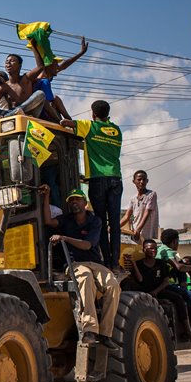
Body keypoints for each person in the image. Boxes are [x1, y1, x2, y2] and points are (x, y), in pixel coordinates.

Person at [41, 186, 121, 354]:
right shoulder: (65, 220)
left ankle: (106, 333)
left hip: (95, 263)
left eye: (77, 199)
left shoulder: (95, 221)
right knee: (85, 278)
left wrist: (63, 238)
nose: (74, 202)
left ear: (85, 203)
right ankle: (90, 330)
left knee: (113, 284)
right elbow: (48, 221)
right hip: (75, 264)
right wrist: (47, 196)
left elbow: (87, 245)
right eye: (71, 200)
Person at [61, 100, 123, 270]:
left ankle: (105, 259)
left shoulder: (89, 126)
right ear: (107, 113)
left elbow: (65, 123)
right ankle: (115, 261)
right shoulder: (116, 130)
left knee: (100, 221)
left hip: (98, 179)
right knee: (115, 224)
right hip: (116, 179)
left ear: (93, 114)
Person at [125, 239, 191, 343]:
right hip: (145, 291)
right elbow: (140, 279)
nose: (153, 251)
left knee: (179, 299)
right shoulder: (139, 264)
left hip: (159, 289)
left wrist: (156, 291)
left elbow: (166, 281)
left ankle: (188, 331)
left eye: (155, 248)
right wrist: (133, 263)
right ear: (144, 250)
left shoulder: (161, 263)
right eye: (150, 249)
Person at [29, 37, 88, 122]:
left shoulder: (49, 74)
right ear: (49, 65)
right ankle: (69, 122)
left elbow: (64, 65)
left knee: (56, 99)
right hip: (39, 106)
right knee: (55, 99)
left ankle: (70, 121)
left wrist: (80, 53)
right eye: (56, 64)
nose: (58, 67)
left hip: (45, 103)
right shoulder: (41, 78)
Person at [156, 228, 191, 333]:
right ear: (174, 241)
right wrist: (190, 268)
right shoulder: (167, 250)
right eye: (177, 241)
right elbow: (178, 267)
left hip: (160, 282)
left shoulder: (160, 249)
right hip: (164, 284)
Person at [120, 170, 159, 243]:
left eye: (144, 179)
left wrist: (138, 229)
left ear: (147, 181)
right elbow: (126, 217)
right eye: (139, 179)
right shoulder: (133, 199)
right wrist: (114, 228)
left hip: (146, 234)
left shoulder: (151, 194)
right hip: (134, 234)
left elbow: (147, 213)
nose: (141, 182)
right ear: (134, 181)